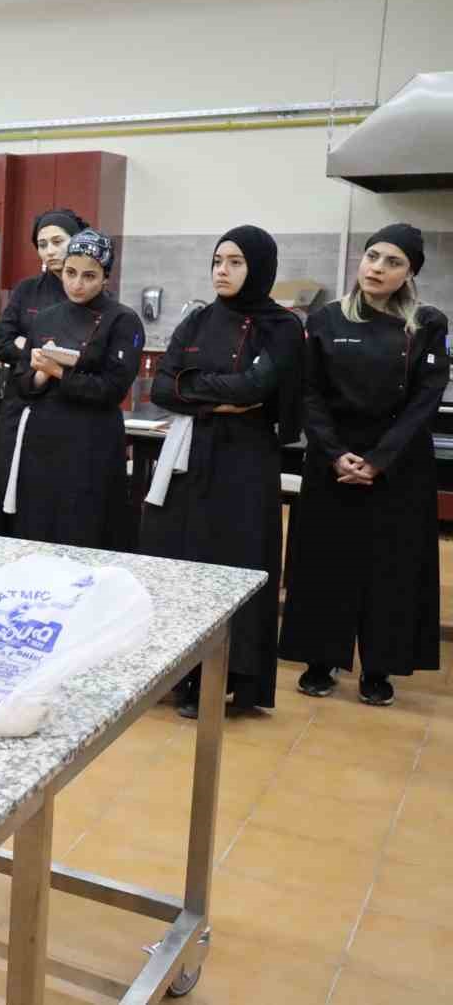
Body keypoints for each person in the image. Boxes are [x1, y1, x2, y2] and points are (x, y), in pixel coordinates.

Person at [280, 223, 447, 707]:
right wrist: (334, 453)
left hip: (398, 466)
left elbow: (424, 402)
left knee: (390, 565)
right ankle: (319, 657)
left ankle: (380, 666)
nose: (377, 267)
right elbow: (309, 393)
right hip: (333, 460)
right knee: (325, 560)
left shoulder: (427, 324)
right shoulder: (327, 321)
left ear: (409, 272)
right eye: (372, 256)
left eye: (393, 262)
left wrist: (378, 461)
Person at [142, 225, 304, 717]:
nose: (223, 271)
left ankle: (234, 679)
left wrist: (198, 389)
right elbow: (162, 389)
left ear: (258, 268)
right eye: (218, 261)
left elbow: (256, 386)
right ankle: (183, 673)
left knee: (234, 563)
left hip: (246, 462)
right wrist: (217, 394)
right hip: (192, 458)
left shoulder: (283, 326)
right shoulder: (197, 321)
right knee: (184, 558)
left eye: (235, 262)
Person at [1, 228, 145, 549]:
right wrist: (39, 373)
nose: (77, 284)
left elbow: (112, 389)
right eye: (70, 273)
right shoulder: (45, 318)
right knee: (38, 527)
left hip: (91, 442)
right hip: (42, 440)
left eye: (89, 276)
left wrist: (59, 373)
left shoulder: (122, 320)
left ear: (105, 277)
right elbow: (22, 381)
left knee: (83, 528)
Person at [0, 208, 86, 535]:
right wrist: (37, 354)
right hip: (22, 404)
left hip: (69, 404)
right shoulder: (26, 291)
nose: (50, 251)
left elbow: (86, 352)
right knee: (12, 488)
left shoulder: (90, 294)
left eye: (58, 241)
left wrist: (28, 345)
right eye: (42, 244)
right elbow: (1, 343)